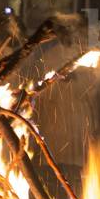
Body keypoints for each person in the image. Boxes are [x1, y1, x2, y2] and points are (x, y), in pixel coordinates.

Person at [25, 25, 91, 167]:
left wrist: (76, 79)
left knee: (75, 156)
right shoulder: (50, 56)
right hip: (55, 112)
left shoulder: (82, 54)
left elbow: (91, 84)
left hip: (76, 110)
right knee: (54, 153)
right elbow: (41, 85)